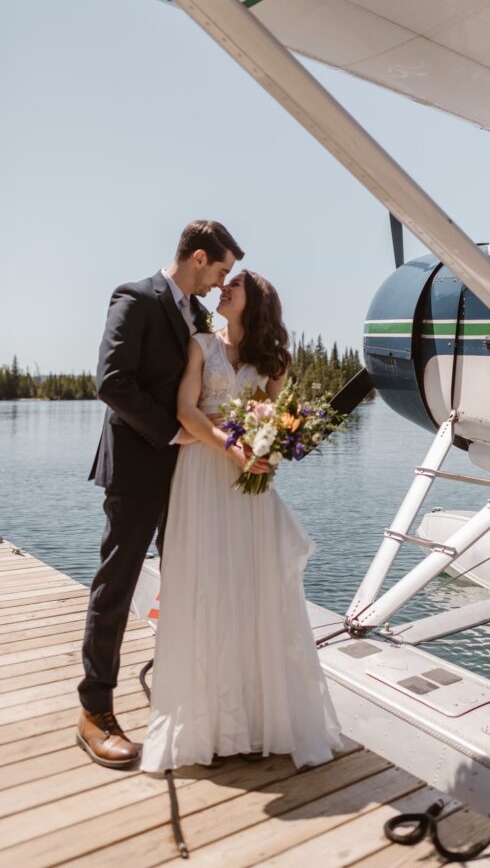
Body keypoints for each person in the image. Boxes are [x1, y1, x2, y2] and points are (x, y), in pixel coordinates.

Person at [140, 270, 342, 772]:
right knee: (205, 587)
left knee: (252, 589)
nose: (222, 289)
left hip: (247, 484)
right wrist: (230, 446)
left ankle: (257, 721)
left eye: (234, 286)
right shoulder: (199, 345)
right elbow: (186, 411)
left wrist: (265, 452)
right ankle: (206, 725)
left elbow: (274, 420)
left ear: (256, 302)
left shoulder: (275, 361)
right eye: (222, 284)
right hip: (201, 475)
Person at [77, 220, 244, 768]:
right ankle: (94, 711)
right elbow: (111, 380)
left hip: (188, 476)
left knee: (188, 581)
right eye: (219, 269)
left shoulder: (196, 314)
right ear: (198, 258)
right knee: (117, 585)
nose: (222, 283)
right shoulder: (135, 297)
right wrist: (175, 432)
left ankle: (184, 695)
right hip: (136, 467)